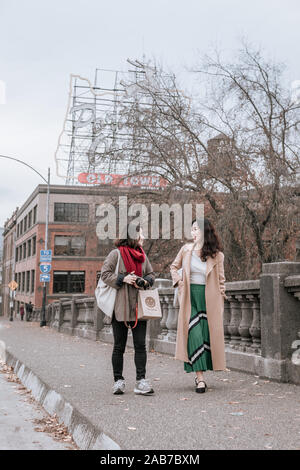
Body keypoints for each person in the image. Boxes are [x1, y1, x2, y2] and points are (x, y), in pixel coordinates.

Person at [170, 217, 228, 393]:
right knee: (194, 334)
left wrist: (222, 297)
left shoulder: (217, 255)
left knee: (205, 336)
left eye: (196, 229)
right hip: (189, 297)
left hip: (209, 298)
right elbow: (173, 267)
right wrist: (179, 281)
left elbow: (221, 280)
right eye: (192, 229)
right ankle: (200, 378)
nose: (193, 233)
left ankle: (201, 373)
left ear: (205, 232)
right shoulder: (186, 250)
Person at [100, 225, 155, 396]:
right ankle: (118, 381)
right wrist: (124, 278)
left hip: (139, 307)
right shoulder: (115, 254)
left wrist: (144, 281)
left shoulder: (142, 256)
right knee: (119, 346)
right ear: (133, 236)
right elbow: (104, 274)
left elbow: (151, 275)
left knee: (140, 345)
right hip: (120, 306)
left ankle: (141, 381)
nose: (143, 237)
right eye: (141, 234)